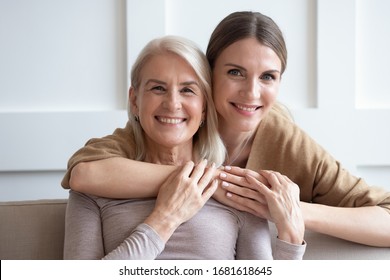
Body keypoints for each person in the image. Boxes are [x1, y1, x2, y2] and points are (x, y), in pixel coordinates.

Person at [62, 11, 390, 247]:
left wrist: (289, 210)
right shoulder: (169, 127)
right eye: (235, 72)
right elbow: (84, 175)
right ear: (209, 76)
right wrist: (203, 180)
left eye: (268, 77)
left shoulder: (284, 139)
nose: (251, 93)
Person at [63, 35, 306, 260]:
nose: (172, 103)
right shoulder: (93, 190)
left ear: (204, 107)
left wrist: (292, 239)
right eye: (158, 88)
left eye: (187, 90)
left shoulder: (232, 193)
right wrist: (165, 219)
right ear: (135, 101)